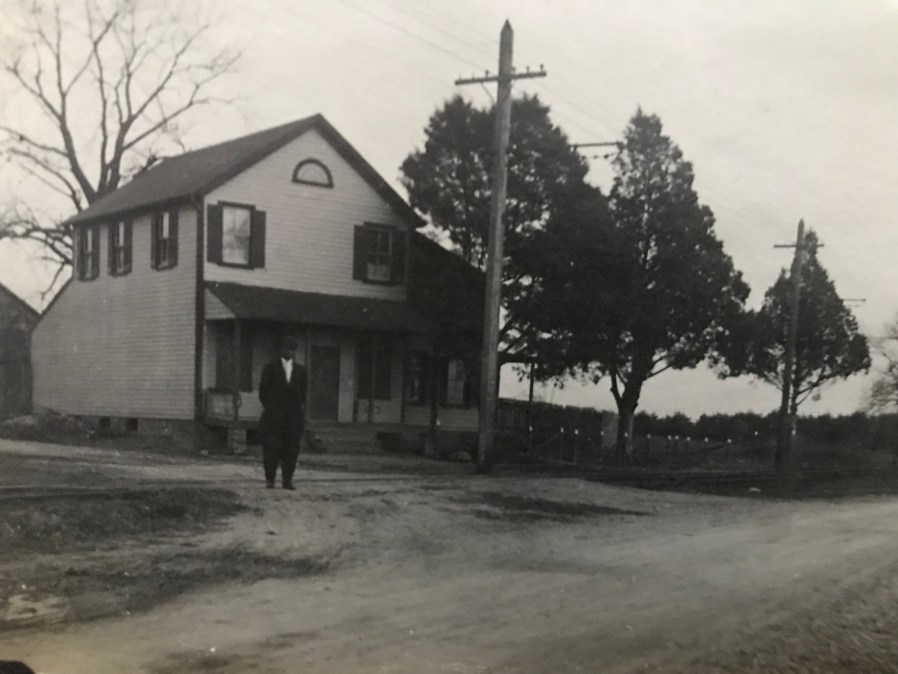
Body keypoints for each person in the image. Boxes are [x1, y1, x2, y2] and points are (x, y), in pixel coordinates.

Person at [258, 336, 307, 490]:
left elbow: (303, 395)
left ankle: (287, 480)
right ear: (281, 350)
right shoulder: (270, 368)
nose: (289, 352)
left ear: (294, 352)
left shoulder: (301, 371)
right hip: (273, 417)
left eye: (292, 350)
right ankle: (270, 480)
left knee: (291, 450)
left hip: (293, 418)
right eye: (286, 349)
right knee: (271, 449)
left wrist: (294, 411)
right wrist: (273, 408)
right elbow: (263, 393)